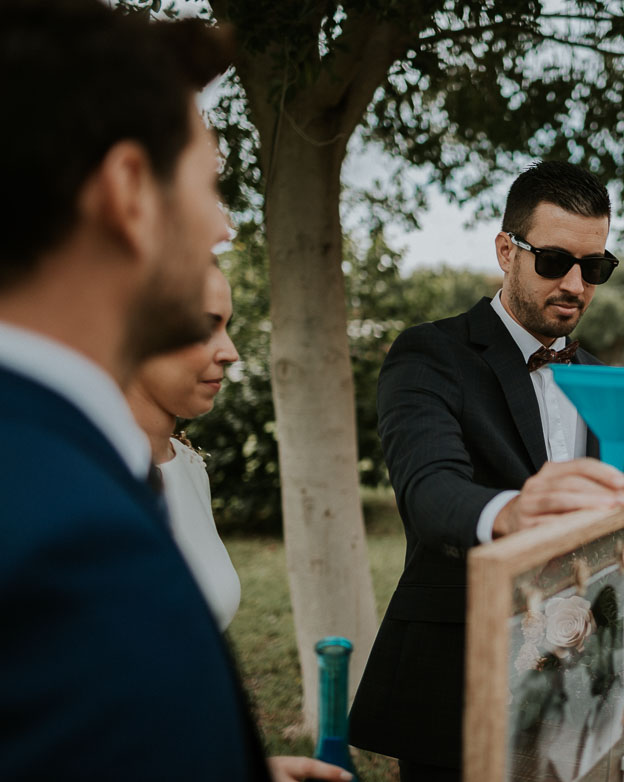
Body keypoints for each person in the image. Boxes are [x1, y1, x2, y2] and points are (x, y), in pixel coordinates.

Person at [0, 4, 350, 780]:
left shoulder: (72, 459)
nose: (221, 228)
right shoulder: (58, 533)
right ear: (130, 190)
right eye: (208, 183)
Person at [348, 161, 624, 781]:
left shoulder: (599, 376)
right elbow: (428, 492)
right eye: (554, 260)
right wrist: (516, 512)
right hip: (460, 684)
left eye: (595, 266)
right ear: (506, 251)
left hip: (585, 698)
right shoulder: (431, 353)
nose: (576, 283)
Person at [126, 263, 241, 631]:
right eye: (205, 328)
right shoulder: (76, 479)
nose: (230, 352)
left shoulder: (189, 465)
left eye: (226, 327)